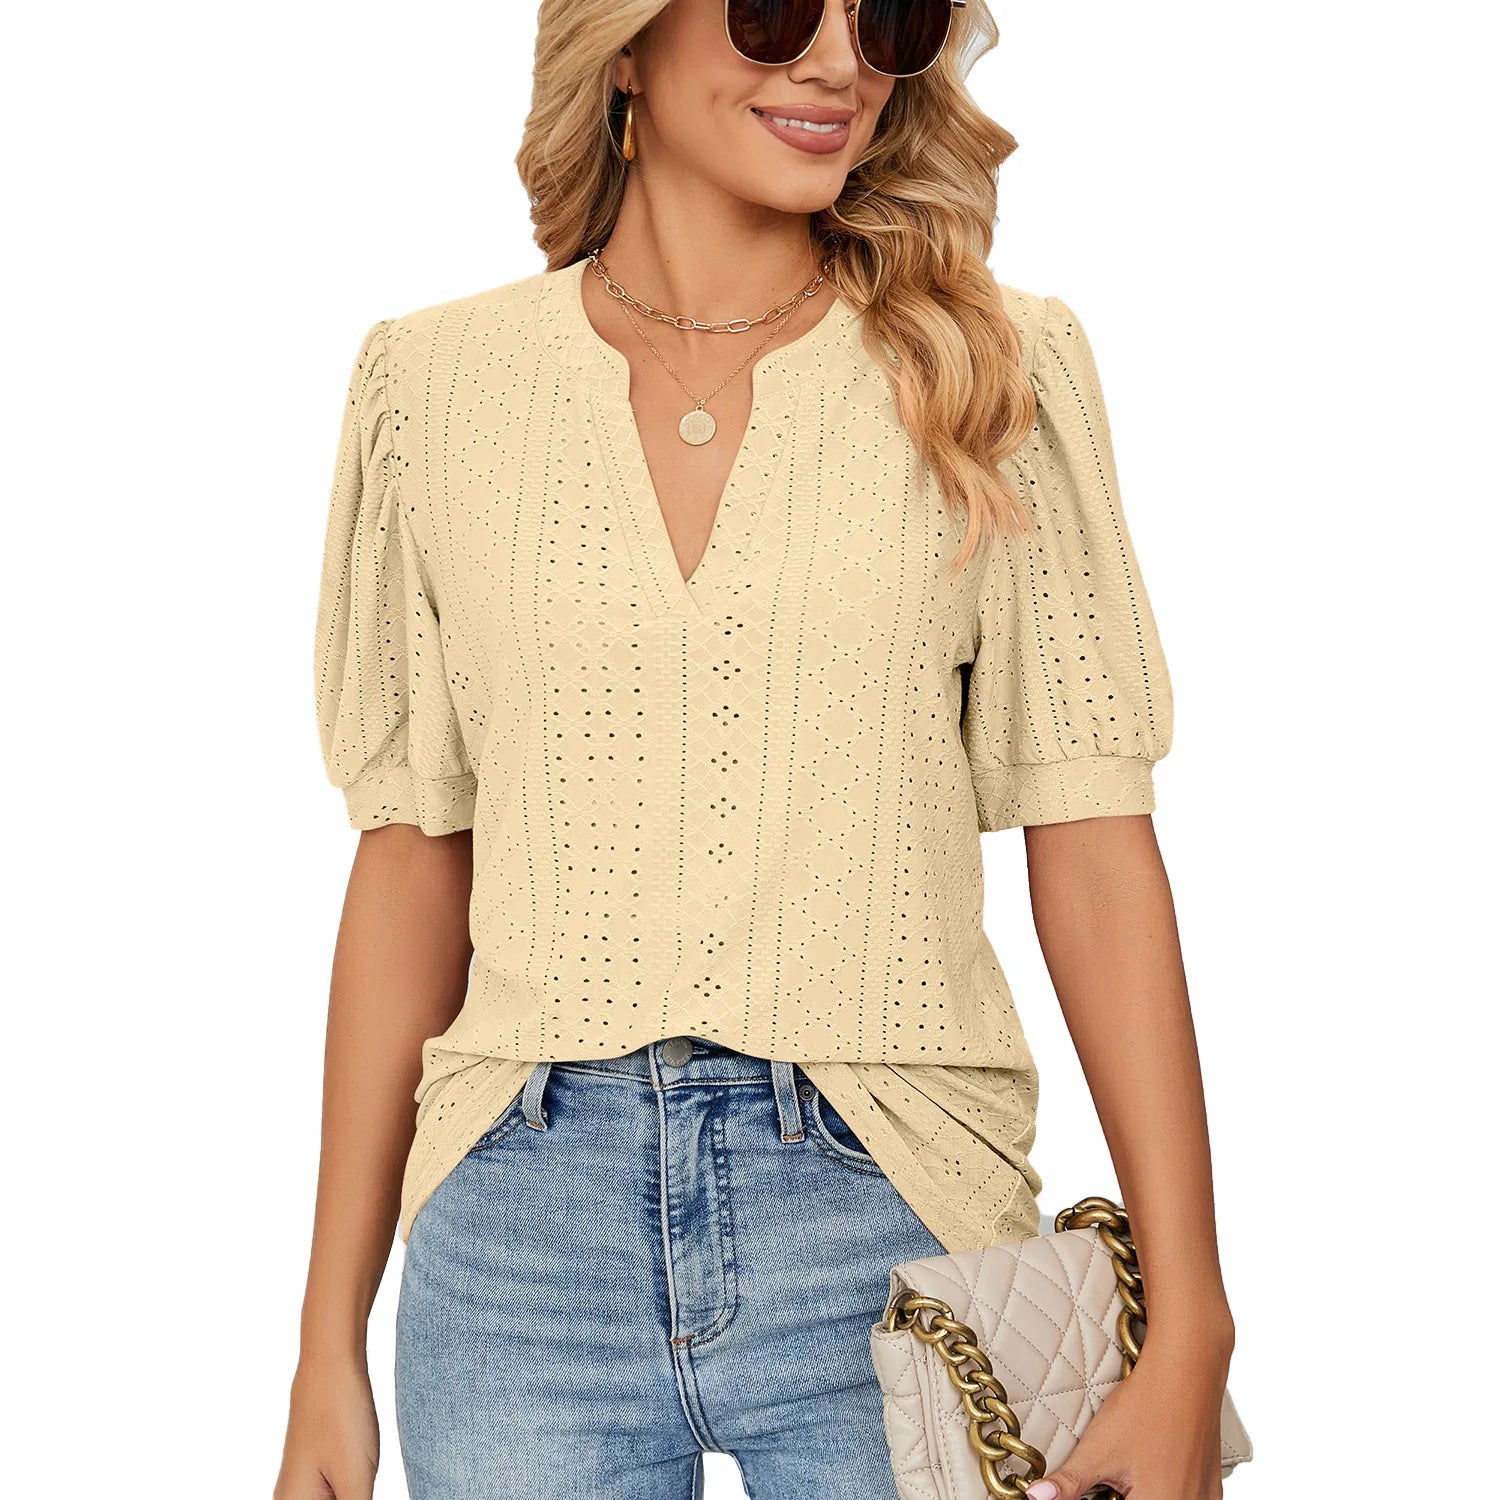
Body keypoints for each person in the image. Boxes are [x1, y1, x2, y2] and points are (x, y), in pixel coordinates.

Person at [275, 2, 1237, 1497]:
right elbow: (411, 858)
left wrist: (1193, 1326)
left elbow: (1096, 842)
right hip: (515, 1245)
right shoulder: (434, 385)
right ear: (626, 43)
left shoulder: (992, 367)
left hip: (898, 1211)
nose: (840, 61)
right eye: (779, 7)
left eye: (888, 16)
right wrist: (324, 1343)